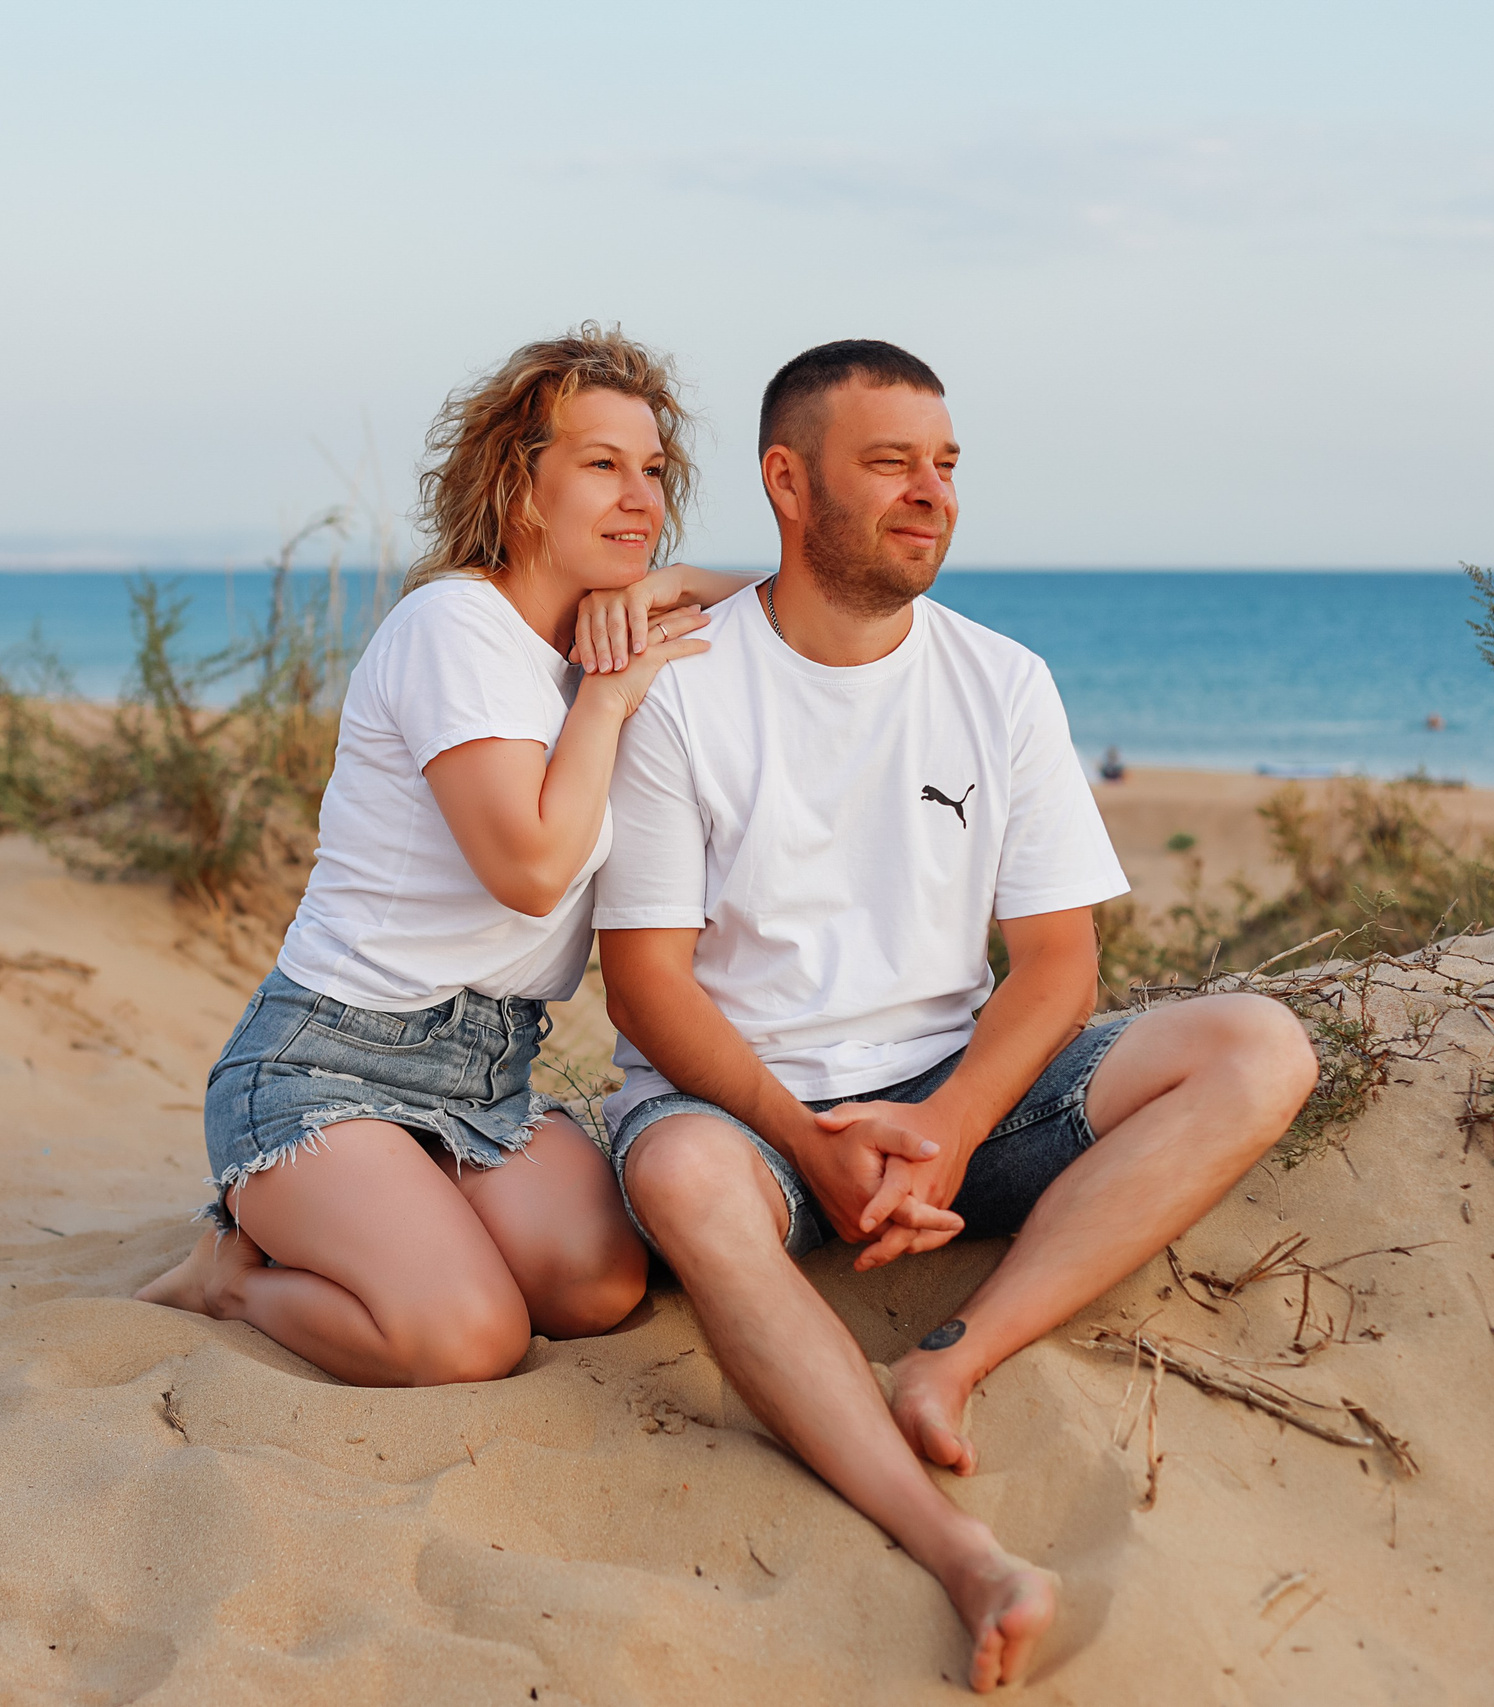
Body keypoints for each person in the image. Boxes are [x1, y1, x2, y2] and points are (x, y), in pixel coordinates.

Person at [594, 340, 1322, 1692]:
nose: (932, 492)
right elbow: (645, 983)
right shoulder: (684, 687)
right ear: (788, 481)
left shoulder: (1003, 680)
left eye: (945, 465)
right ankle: (960, 1549)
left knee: (1258, 1044)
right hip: (742, 1109)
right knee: (689, 1175)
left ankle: (952, 1358)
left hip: (956, 1093)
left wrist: (942, 1125)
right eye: (891, 464)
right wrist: (808, 1142)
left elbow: (1056, 967)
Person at [138, 326, 750, 1386]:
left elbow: (820, 612)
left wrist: (676, 580)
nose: (639, 498)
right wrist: (608, 697)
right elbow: (531, 870)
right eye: (600, 466)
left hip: (488, 1067)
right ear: (518, 487)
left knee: (597, 1289)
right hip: (327, 1064)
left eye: (653, 472)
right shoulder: (454, 628)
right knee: (467, 1340)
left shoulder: (592, 638)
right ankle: (228, 1274)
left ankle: (394, 1217)